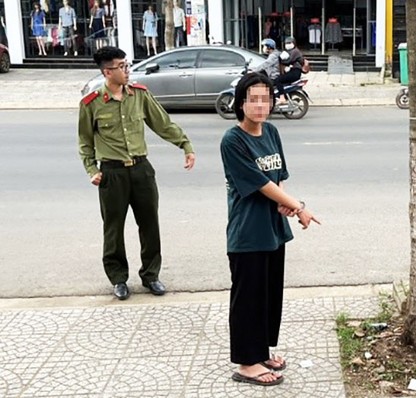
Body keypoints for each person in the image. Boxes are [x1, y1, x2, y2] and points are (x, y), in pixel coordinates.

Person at [219, 72, 319, 386]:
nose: (261, 105)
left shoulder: (272, 132)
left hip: (273, 229)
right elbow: (260, 183)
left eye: (266, 98)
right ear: (241, 103)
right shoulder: (233, 140)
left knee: (267, 296)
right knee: (247, 297)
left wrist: (286, 204)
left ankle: (260, 351)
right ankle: (247, 364)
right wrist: (299, 206)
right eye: (253, 99)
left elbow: (277, 177)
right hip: (248, 232)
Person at [77, 46, 196, 300]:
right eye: (121, 66)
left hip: (141, 170)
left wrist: (185, 145)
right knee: (113, 229)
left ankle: (151, 275)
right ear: (108, 72)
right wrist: (92, 169)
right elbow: (85, 141)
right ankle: (118, 278)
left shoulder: (139, 95)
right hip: (112, 173)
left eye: (127, 64)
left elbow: (162, 123)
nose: (127, 70)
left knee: (150, 225)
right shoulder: (91, 103)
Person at [275, 36, 304, 105]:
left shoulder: (295, 51)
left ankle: (282, 98)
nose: (287, 45)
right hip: (293, 71)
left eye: (289, 43)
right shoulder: (290, 51)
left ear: (293, 43)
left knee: (278, 80)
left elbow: (288, 61)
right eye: (286, 43)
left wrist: (280, 59)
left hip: (295, 72)